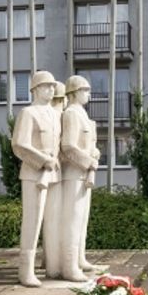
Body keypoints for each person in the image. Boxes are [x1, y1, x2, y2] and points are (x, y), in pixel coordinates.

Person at [11, 71, 62, 287]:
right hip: (34, 173)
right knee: (32, 221)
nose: (51, 89)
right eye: (46, 86)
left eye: (52, 86)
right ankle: (26, 271)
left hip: (54, 173)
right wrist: (42, 160)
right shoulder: (28, 113)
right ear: (35, 89)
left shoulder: (55, 114)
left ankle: (52, 265)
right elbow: (19, 144)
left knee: (52, 221)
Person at [57, 75, 101, 282]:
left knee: (82, 219)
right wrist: (88, 161)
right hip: (74, 173)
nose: (89, 95)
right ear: (74, 93)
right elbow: (68, 146)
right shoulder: (71, 114)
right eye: (86, 90)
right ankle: (69, 266)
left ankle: (79, 258)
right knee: (72, 220)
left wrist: (95, 152)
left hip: (84, 173)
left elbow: (86, 143)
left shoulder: (82, 114)